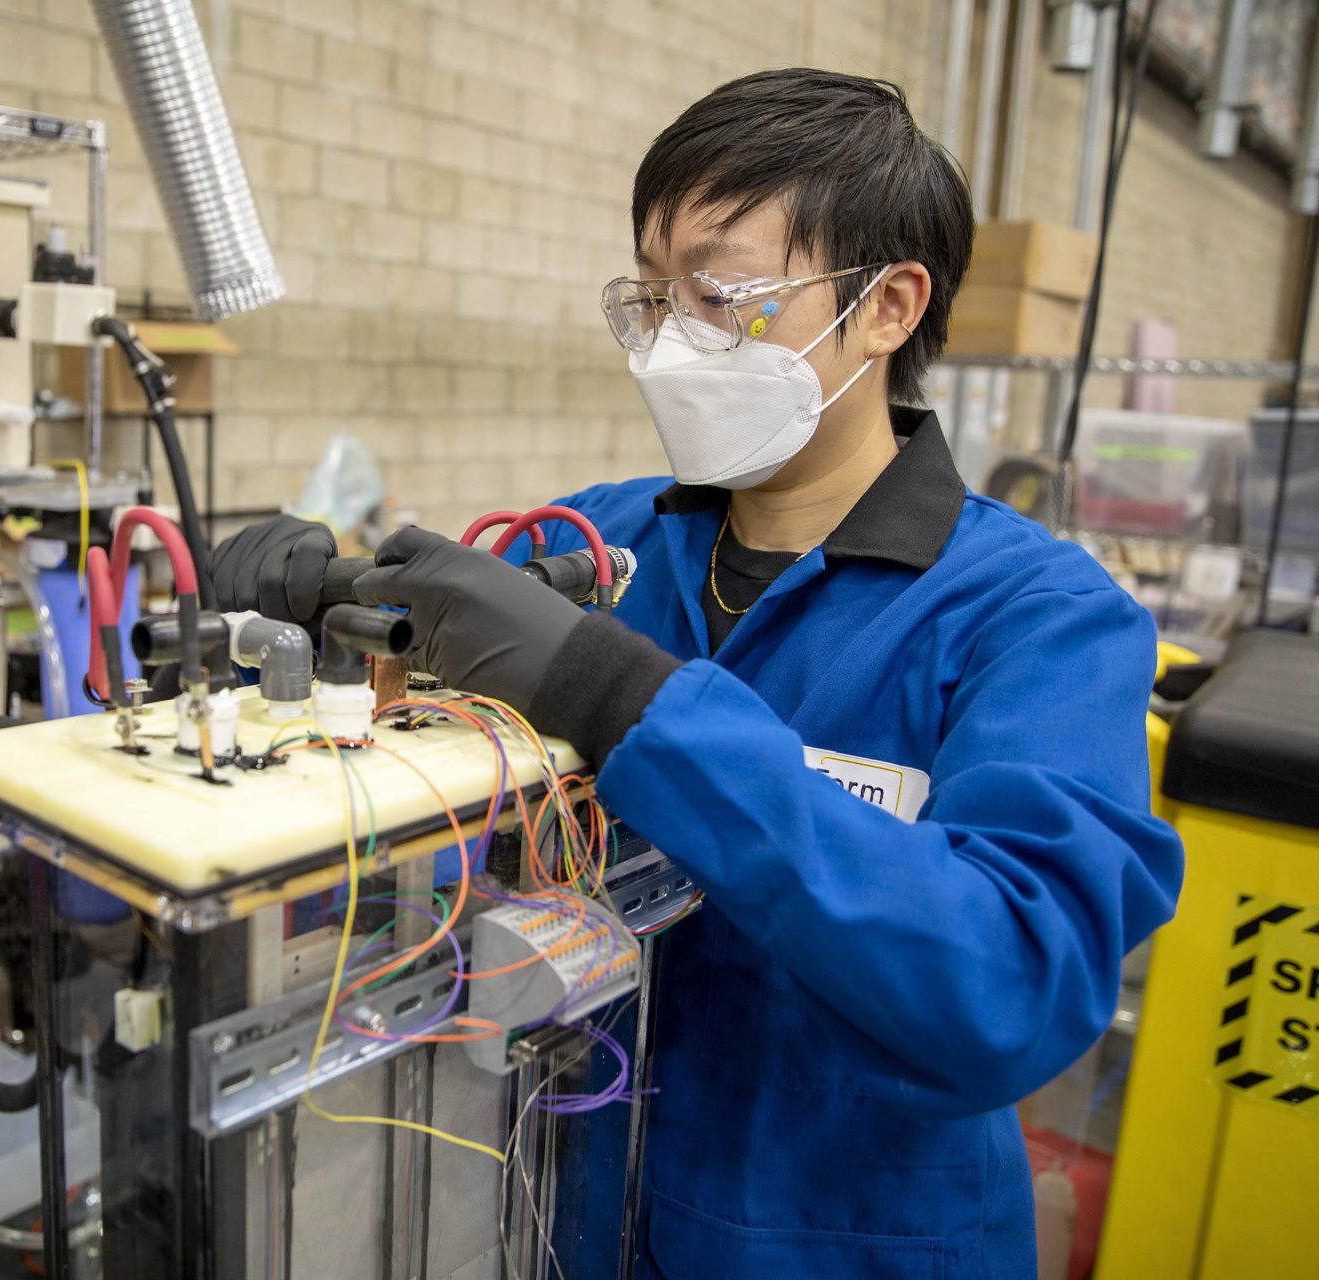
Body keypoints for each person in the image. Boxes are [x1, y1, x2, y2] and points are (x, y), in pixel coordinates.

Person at [210, 69, 1183, 1278]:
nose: (674, 343)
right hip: (558, 1214)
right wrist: (327, 608)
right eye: (653, 298)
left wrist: (627, 704)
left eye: (721, 296)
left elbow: (1012, 987)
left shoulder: (1037, 617)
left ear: (888, 307)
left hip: (844, 1243)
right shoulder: (589, 541)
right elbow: (425, 758)